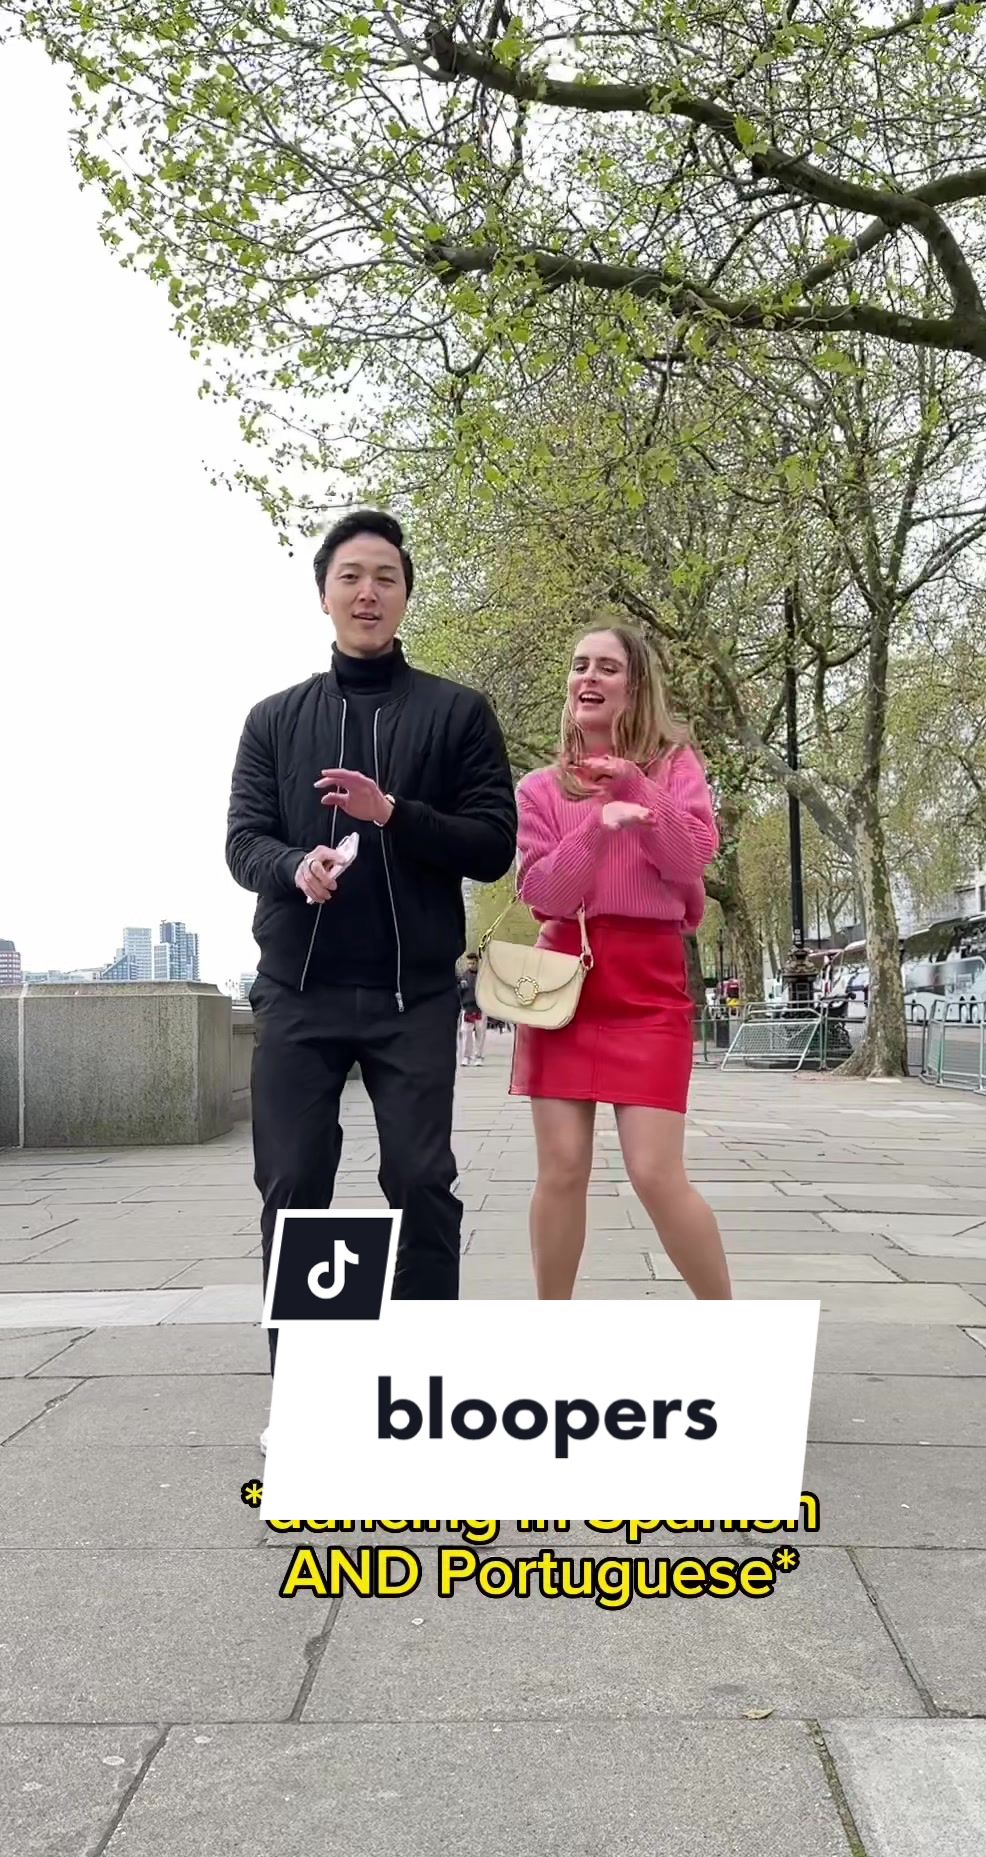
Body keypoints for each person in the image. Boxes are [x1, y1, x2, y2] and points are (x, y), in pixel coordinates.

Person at [225, 507, 517, 1438]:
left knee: (421, 1179)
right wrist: (295, 867)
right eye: (350, 576)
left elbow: (493, 844)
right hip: (298, 993)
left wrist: (395, 816)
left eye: (385, 577)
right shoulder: (274, 720)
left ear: (404, 597)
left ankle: (420, 1394)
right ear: (324, 595)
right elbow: (243, 841)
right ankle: (311, 1402)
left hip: (413, 994)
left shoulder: (458, 713)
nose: (367, 592)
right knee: (294, 1185)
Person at [510, 621, 732, 1302]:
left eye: (607, 668)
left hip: (649, 985)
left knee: (655, 1173)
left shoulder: (675, 767)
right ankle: (552, 1328)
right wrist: (596, 831)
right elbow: (542, 894)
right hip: (564, 984)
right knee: (562, 1170)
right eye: (580, 665)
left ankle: (731, 1330)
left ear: (635, 686)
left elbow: (692, 857)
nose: (589, 678)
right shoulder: (539, 789)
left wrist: (637, 788)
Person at [457, 952, 488, 1066]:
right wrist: (460, 988)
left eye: (473, 963)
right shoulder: (463, 977)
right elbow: (458, 993)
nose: (471, 965)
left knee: (480, 1033)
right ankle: (466, 1056)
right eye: (469, 963)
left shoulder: (483, 976)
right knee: (466, 1033)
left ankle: (478, 1056)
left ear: (477, 962)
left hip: (481, 1008)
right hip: (467, 1008)